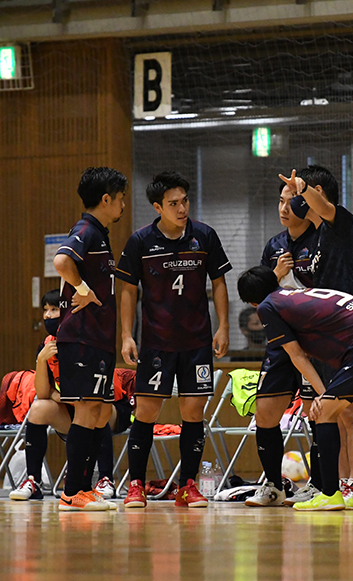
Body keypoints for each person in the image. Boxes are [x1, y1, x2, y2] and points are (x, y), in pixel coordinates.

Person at [238, 266, 353, 511]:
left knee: (324, 413)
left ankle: (330, 494)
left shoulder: (268, 306)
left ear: (251, 303)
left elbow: (297, 356)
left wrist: (322, 394)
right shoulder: (300, 293)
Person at [117, 171, 232, 509]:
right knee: (146, 411)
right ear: (158, 207)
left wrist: (223, 327)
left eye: (185, 201)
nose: (182, 208)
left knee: (193, 411)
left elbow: (219, 283)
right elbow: (128, 291)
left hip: (196, 342)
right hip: (156, 342)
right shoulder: (140, 241)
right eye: (173, 203)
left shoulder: (204, 236)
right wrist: (126, 335)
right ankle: (136, 485)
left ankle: (188, 486)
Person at [277, 166, 353, 506]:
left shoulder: (341, 223)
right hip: (329, 335)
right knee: (337, 414)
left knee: (352, 414)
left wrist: (303, 188)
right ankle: (341, 488)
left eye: (295, 196)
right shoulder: (318, 237)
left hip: (351, 333)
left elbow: (324, 206)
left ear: (315, 193)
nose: (291, 204)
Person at [9, 290, 133, 502]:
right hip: (73, 410)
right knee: (38, 408)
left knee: (98, 409)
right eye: (45, 310)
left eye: (54, 309)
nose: (48, 315)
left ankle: (105, 479)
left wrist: (65, 397)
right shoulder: (47, 345)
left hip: (111, 408)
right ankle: (33, 481)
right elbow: (43, 393)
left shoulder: (88, 341)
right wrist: (41, 360)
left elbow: (102, 395)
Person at [51, 166, 127, 512]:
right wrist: (82, 288)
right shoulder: (85, 230)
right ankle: (72, 491)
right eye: (121, 198)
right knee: (85, 409)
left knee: (98, 412)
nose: (123, 204)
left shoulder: (100, 234)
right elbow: (61, 261)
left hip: (98, 339)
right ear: (106, 199)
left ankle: (85, 488)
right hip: (81, 338)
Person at [245, 181, 320, 507]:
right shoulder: (274, 245)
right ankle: (274, 486)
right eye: (280, 201)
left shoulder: (321, 240)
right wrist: (275, 275)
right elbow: (261, 295)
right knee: (265, 412)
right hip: (280, 339)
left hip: (315, 340)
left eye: (291, 202)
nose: (284, 208)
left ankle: (319, 484)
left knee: (317, 412)